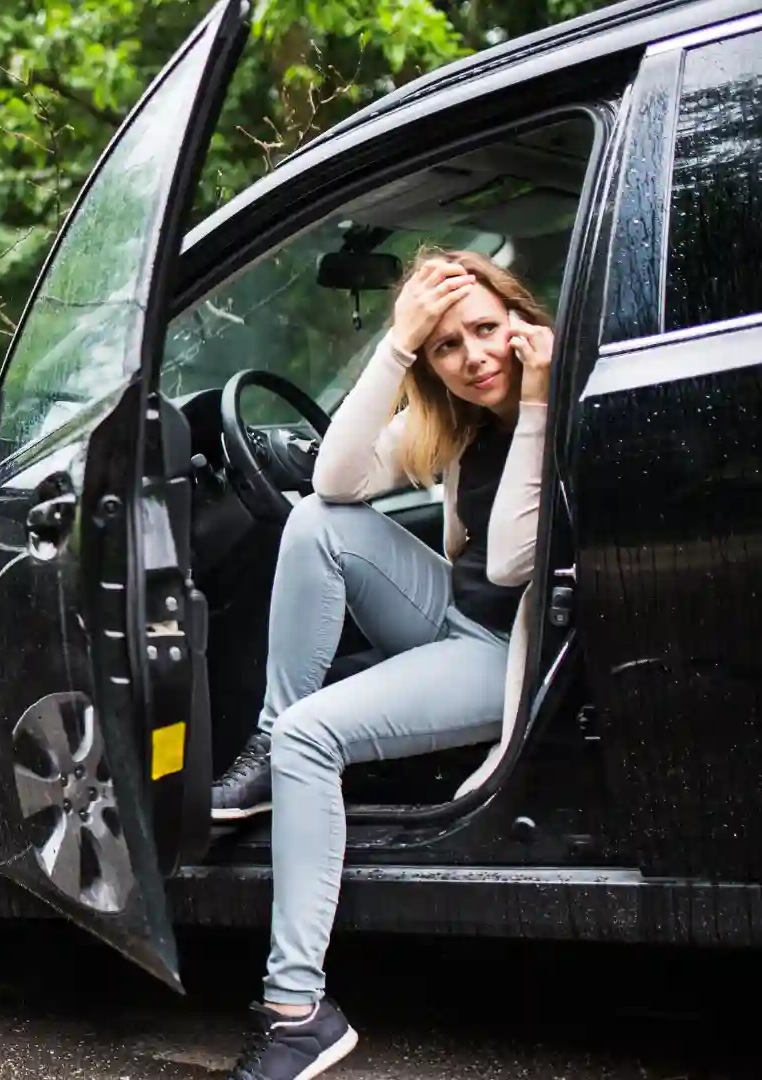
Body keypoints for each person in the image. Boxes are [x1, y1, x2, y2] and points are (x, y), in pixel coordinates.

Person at [214, 249, 555, 1080]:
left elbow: (513, 562)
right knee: (315, 525)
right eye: (446, 346)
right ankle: (265, 745)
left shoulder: (569, 399)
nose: (472, 357)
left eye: (484, 329)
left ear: (519, 318)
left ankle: (297, 1015)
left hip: (512, 651)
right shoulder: (457, 418)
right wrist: (394, 346)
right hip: (455, 617)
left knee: (312, 736)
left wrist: (539, 400)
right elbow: (333, 480)